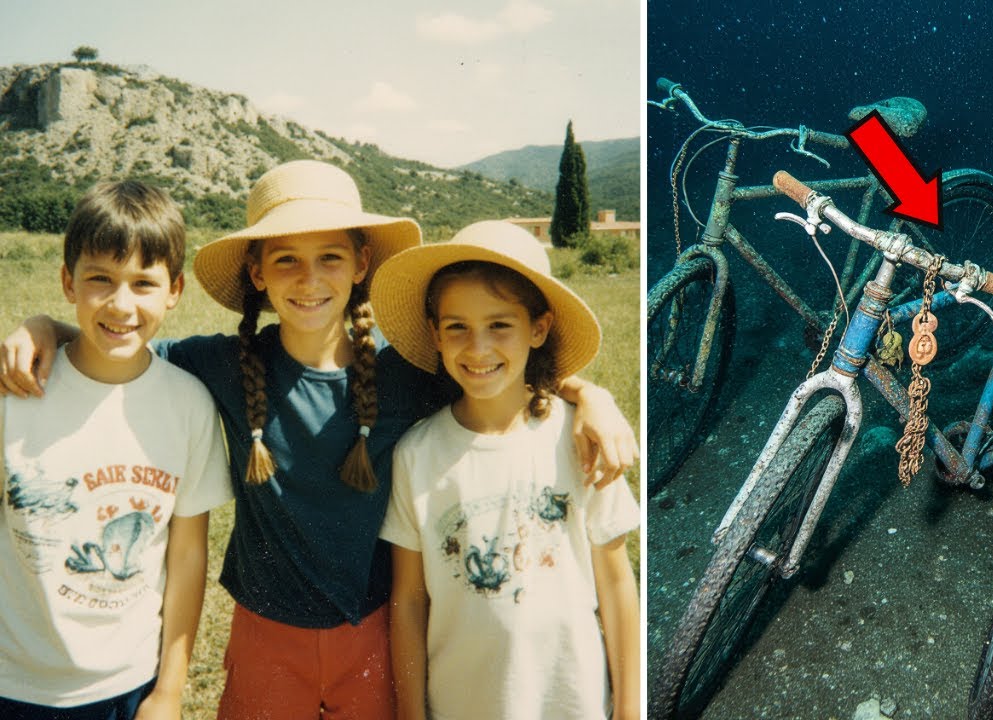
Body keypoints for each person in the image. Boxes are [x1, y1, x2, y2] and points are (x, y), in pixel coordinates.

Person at [0, 161, 637, 719]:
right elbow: (120, 340)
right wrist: (44, 327)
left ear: (361, 263)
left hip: (374, 632)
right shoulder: (219, 363)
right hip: (264, 635)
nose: (309, 281)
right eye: (286, 261)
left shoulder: (408, 373)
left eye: (329, 257)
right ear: (256, 273)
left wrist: (591, 396)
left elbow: (493, 365)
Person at [373, 220, 640, 720]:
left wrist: (629, 711)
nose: (478, 349)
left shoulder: (581, 438)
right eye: (457, 327)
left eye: (500, 325)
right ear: (435, 334)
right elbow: (408, 601)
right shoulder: (416, 454)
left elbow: (617, 584)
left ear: (538, 328)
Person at [0, 181, 232, 720]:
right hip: (13, 680)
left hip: (127, 684)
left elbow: (186, 555)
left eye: (143, 283)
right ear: (67, 282)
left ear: (174, 289)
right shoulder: (17, 393)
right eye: (100, 279)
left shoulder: (189, 404)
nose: (121, 304)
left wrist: (169, 692)